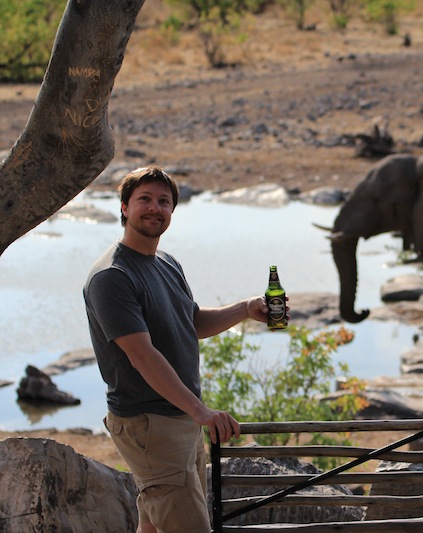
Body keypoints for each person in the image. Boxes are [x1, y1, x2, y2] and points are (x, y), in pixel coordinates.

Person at [84, 166, 283, 533]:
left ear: (173, 211)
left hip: (180, 417)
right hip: (149, 424)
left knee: (155, 524)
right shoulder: (112, 277)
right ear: (125, 207)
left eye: (164, 201)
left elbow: (192, 323)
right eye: (144, 199)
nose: (154, 208)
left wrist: (245, 308)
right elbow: (142, 356)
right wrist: (202, 411)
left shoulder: (166, 263)